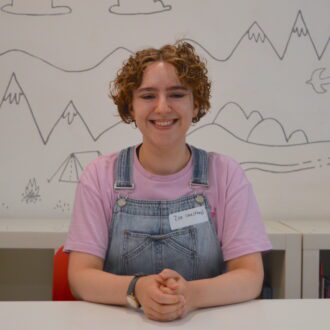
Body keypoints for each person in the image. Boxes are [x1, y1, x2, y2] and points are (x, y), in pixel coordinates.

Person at [64, 42, 272, 322]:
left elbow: (250, 275)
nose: (162, 108)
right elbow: (80, 276)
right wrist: (137, 288)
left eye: (176, 94)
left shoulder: (225, 175)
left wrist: (191, 295)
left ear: (196, 103)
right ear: (130, 105)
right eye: (148, 95)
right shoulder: (99, 176)